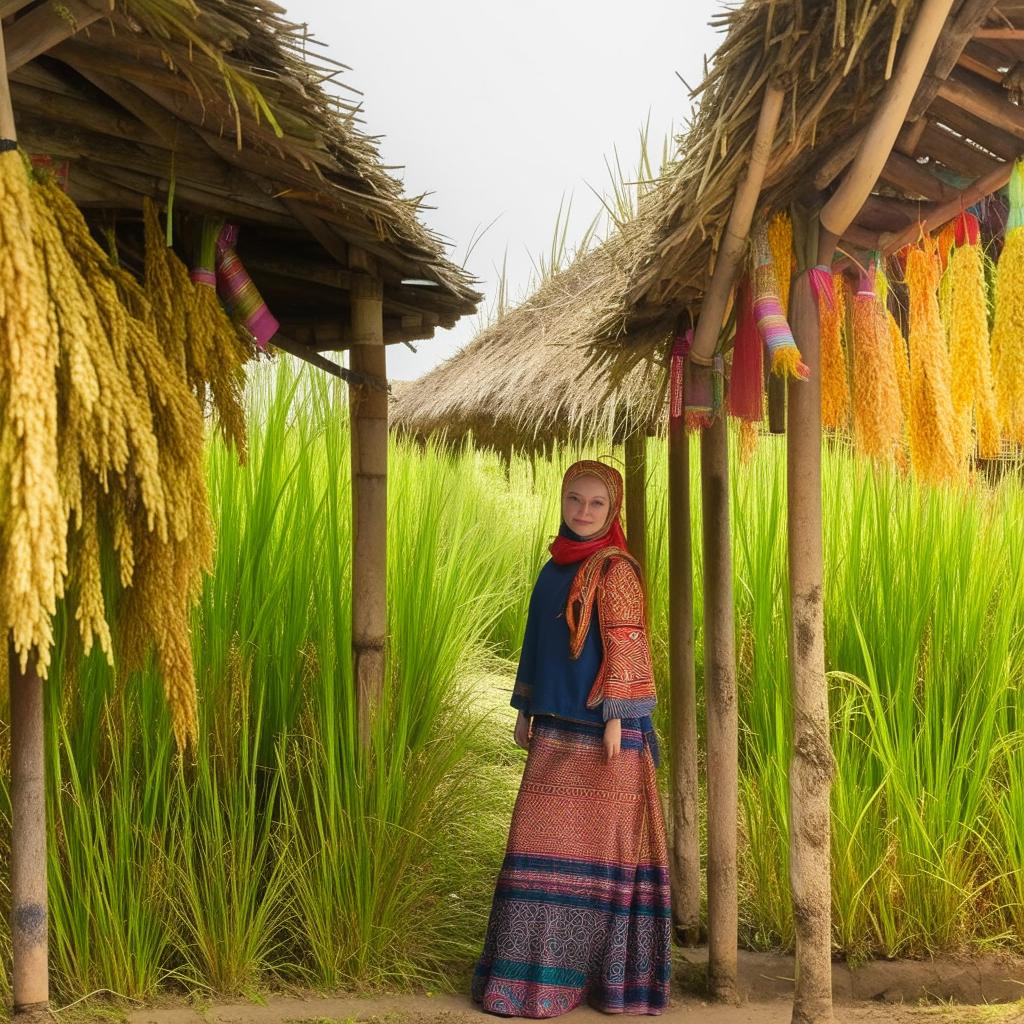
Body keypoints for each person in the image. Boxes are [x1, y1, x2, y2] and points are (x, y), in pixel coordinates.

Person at [472, 459, 671, 1018]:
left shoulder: (616, 571)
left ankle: (607, 984)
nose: (583, 512)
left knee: (599, 862)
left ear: (614, 510)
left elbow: (629, 642)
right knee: (534, 848)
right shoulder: (552, 568)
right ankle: (529, 984)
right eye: (574, 501)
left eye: (596, 504)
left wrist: (617, 716)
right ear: (562, 502)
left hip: (605, 736)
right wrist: (523, 707)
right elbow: (536, 643)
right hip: (553, 729)